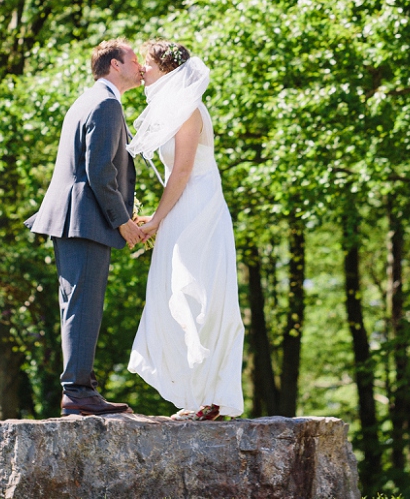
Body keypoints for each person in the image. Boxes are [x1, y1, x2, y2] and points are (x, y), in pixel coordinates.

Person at [25, 39, 145, 416]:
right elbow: (99, 171)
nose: (140, 66)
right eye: (134, 60)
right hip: (85, 218)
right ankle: (78, 392)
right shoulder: (107, 104)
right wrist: (123, 222)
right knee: (83, 304)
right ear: (114, 65)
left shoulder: (89, 99)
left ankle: (81, 386)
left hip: (77, 217)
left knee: (77, 303)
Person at [127, 40, 245, 421]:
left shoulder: (189, 109)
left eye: (147, 63)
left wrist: (158, 219)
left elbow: (182, 170)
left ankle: (212, 396)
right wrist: (160, 216)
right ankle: (196, 397)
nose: (142, 70)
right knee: (174, 293)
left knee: (195, 292)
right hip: (182, 204)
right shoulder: (172, 106)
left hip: (199, 207)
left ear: (167, 69)